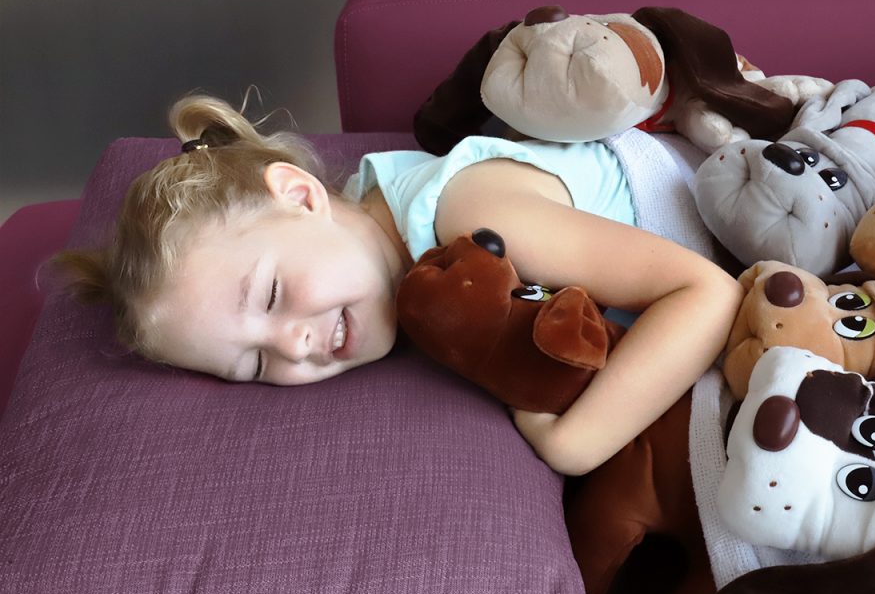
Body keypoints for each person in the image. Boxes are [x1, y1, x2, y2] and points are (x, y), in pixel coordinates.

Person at [58, 94, 742, 476]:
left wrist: (574, 444)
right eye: (255, 364)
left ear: (299, 195)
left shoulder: (471, 215)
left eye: (268, 296)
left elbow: (705, 293)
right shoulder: (390, 253)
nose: (294, 345)